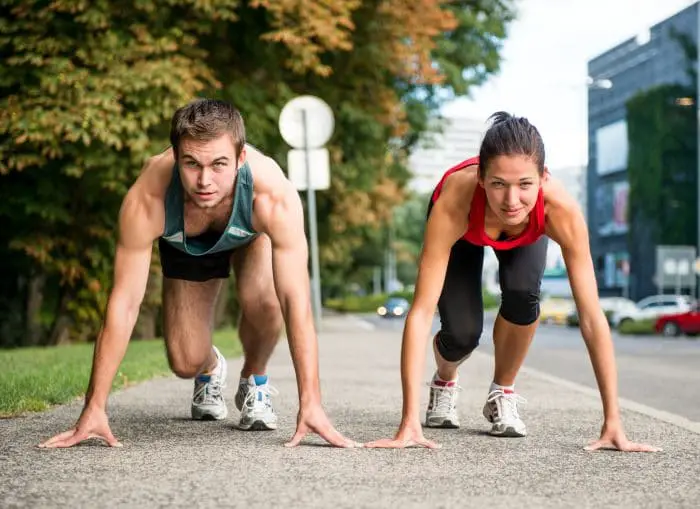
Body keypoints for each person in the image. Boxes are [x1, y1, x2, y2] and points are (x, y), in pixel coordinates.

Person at [39, 98, 358, 449]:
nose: (205, 180)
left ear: (240, 159)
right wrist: (94, 406)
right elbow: (124, 303)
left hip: (250, 235)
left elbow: (296, 301)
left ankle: (255, 379)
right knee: (184, 360)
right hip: (186, 242)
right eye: (191, 164)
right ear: (176, 158)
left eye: (219, 164)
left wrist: (311, 403)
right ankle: (210, 367)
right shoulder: (150, 197)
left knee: (265, 302)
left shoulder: (272, 196)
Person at [366, 112, 660, 452]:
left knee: (523, 295)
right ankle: (445, 380)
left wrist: (613, 422)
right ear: (480, 178)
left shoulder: (559, 210)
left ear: (543, 177)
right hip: (465, 234)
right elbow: (419, 313)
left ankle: (502, 392)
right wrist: (408, 421)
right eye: (498, 184)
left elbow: (592, 318)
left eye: (524, 185)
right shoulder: (454, 202)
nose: (511, 201)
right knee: (461, 335)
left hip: (526, 236)